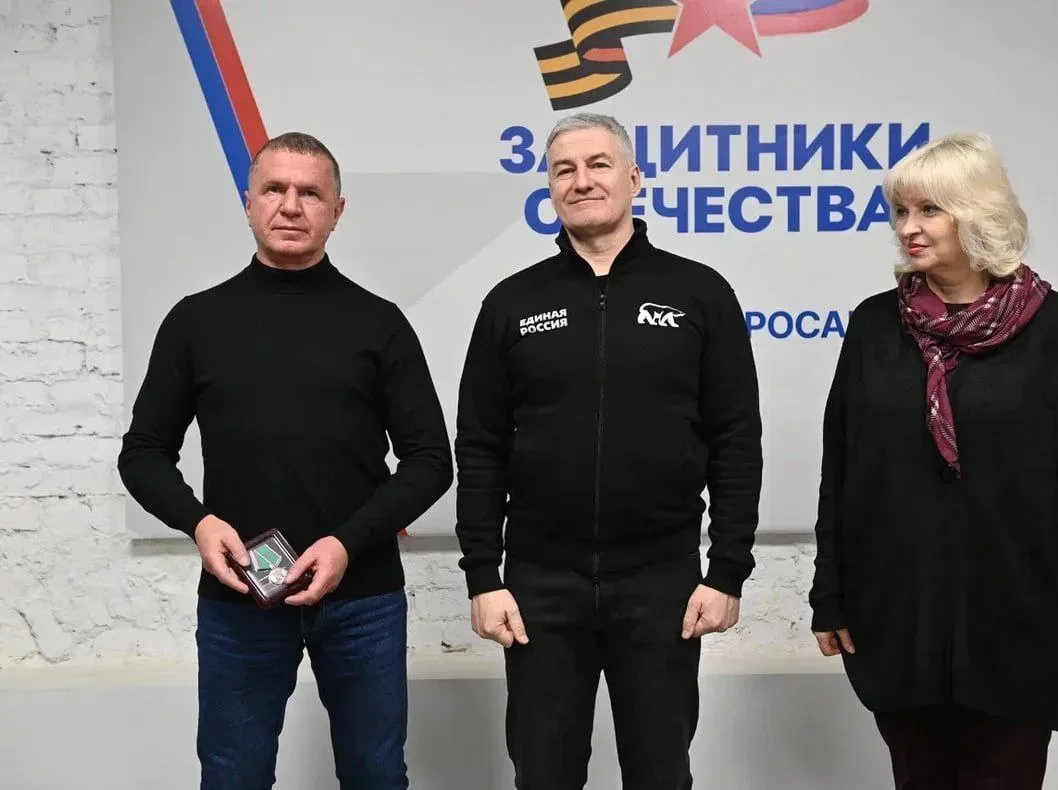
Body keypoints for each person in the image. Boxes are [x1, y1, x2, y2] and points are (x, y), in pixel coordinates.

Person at [118, 132, 453, 790]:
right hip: (240, 596)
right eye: (274, 189)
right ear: (248, 203)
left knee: (376, 775)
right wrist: (199, 523)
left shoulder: (379, 323)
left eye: (310, 193)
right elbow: (143, 454)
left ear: (337, 210)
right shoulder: (195, 322)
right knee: (233, 776)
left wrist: (346, 544)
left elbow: (429, 461)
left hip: (362, 598)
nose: (291, 206)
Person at [808, 132, 1058, 789]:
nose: (908, 228)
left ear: (977, 212)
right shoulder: (874, 326)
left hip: (1022, 618)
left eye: (929, 209)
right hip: (898, 617)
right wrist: (829, 594)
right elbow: (841, 471)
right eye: (900, 211)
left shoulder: (1055, 327)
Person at [454, 112, 762, 789]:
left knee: (660, 773)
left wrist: (726, 572)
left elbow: (736, 440)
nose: (581, 181)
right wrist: (483, 575)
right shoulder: (512, 302)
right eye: (563, 170)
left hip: (661, 580)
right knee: (543, 774)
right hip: (539, 584)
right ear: (549, 187)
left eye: (598, 164)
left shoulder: (699, 293)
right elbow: (479, 446)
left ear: (634, 178)